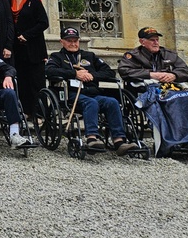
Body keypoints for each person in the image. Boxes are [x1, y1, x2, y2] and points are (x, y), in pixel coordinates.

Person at [46, 27, 133, 155]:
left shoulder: (89, 56)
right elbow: (49, 71)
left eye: (75, 40)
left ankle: (119, 140)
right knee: (91, 103)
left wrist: (92, 75)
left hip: (92, 92)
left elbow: (109, 72)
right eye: (69, 40)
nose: (73, 43)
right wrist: (74, 74)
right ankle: (92, 138)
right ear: (62, 42)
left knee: (112, 102)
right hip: (71, 94)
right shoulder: (57, 57)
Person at [8, 0, 49, 116]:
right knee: (23, 81)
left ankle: (39, 113)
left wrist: (27, 35)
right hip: (17, 48)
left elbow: (43, 23)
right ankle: (25, 110)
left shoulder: (34, 1)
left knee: (36, 82)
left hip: (33, 47)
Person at [118, 27, 188, 83]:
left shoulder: (168, 54)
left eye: (157, 40)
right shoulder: (133, 55)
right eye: (152, 40)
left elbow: (186, 70)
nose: (156, 43)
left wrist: (174, 75)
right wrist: (151, 75)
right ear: (142, 42)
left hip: (170, 87)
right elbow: (124, 71)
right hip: (146, 89)